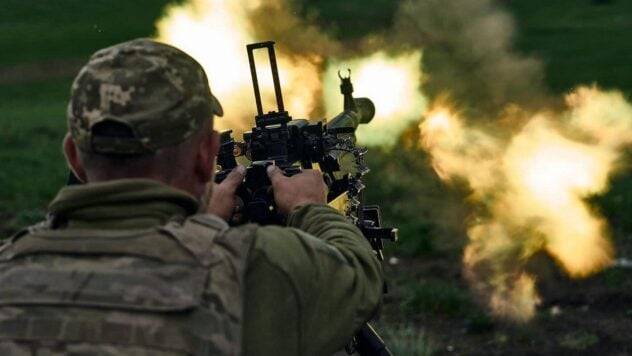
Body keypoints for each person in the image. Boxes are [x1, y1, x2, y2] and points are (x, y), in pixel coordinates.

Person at [0, 38, 383, 355]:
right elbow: (358, 279)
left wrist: (201, 226)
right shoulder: (253, 269)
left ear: (73, 158)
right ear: (205, 156)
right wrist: (307, 208)